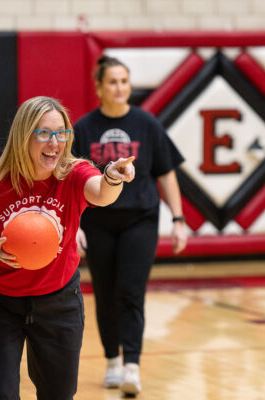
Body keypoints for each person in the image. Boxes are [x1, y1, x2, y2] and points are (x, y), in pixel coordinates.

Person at [0, 96, 135, 400]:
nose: (55, 143)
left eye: (61, 133)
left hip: (58, 303)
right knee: (1, 393)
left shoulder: (74, 174)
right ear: (24, 136)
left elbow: (101, 194)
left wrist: (112, 178)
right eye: (44, 133)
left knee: (59, 395)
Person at [73, 55, 187, 396]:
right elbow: (72, 179)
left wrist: (179, 219)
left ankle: (132, 367)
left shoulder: (147, 124)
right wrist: (75, 223)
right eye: (112, 82)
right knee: (105, 294)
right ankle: (111, 361)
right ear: (99, 88)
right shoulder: (83, 129)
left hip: (140, 219)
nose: (119, 87)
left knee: (131, 293)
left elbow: (166, 172)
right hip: (98, 222)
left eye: (124, 81)